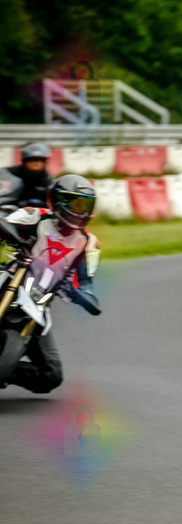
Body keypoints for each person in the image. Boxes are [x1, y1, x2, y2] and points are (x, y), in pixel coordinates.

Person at [1, 175, 101, 393]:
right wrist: (14, 237)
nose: (80, 210)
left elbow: (87, 285)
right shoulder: (36, 216)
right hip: (12, 277)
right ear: (56, 201)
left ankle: (5, 369)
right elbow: (2, 222)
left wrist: (81, 295)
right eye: (75, 202)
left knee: (51, 375)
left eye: (85, 204)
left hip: (39, 304)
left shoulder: (89, 243)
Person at [3, 142, 55, 208]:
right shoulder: (12, 173)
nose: (37, 164)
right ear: (24, 161)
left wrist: (37, 205)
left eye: (40, 160)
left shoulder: (47, 179)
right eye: (33, 160)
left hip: (38, 214)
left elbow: (52, 201)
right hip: (10, 212)